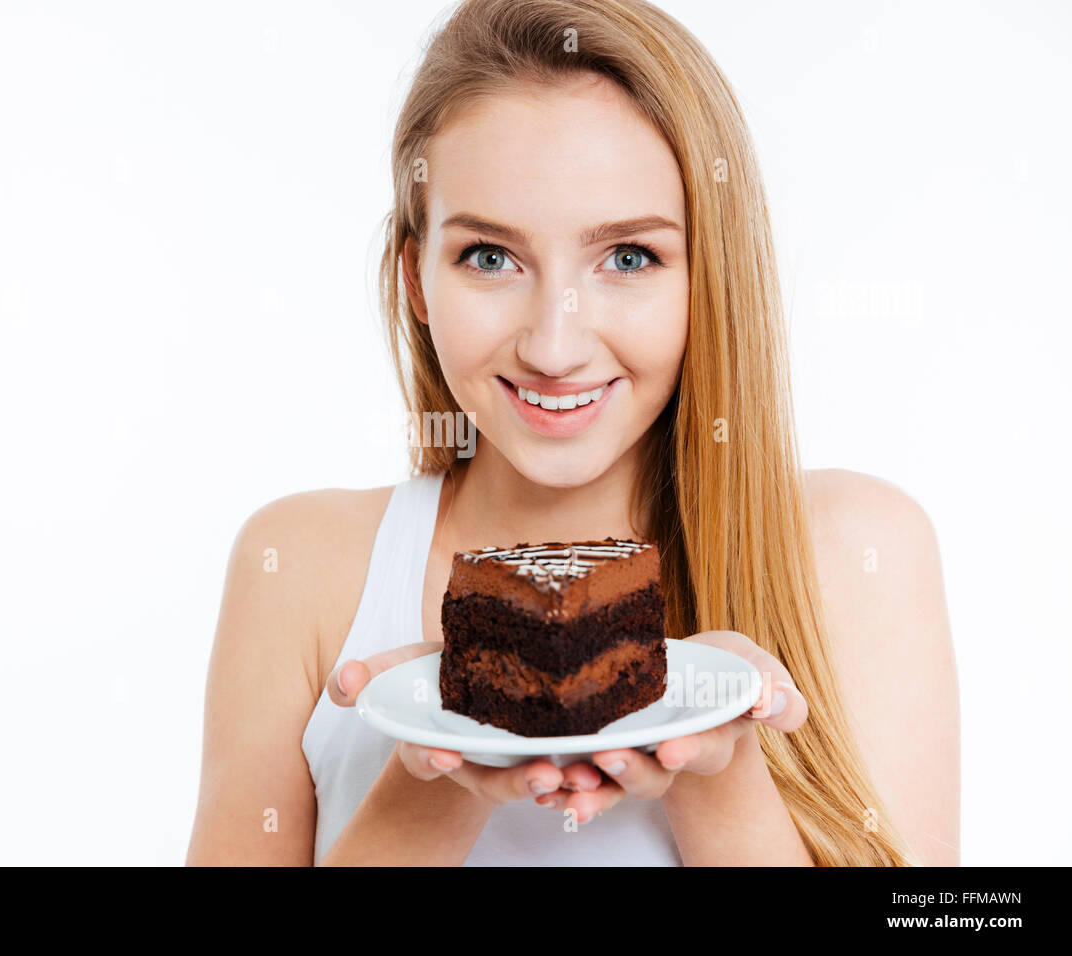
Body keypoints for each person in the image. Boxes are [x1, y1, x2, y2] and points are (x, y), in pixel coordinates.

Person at [186, 0, 959, 866]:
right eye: (489, 256)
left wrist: (717, 763)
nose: (555, 346)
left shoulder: (857, 553)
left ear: (712, 274)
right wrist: (431, 773)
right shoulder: (299, 567)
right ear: (415, 279)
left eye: (629, 257)